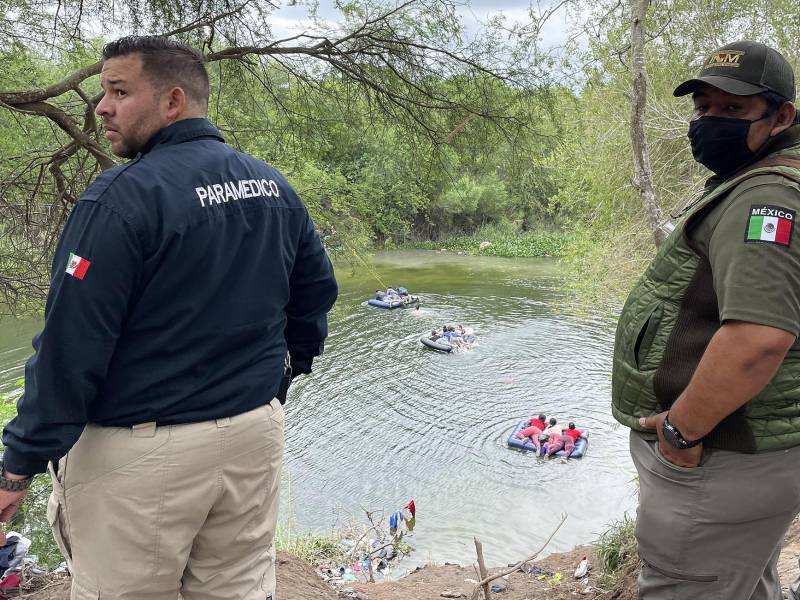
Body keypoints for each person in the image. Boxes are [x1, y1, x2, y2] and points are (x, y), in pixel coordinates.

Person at [0, 36, 338, 600]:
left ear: (173, 101)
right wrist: (278, 382)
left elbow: (70, 346)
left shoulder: (121, 198)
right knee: (237, 590)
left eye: (118, 91)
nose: (101, 108)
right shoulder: (272, 186)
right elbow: (314, 299)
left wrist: (18, 465)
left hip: (144, 454)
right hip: (252, 434)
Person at [611, 40, 800, 599]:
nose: (710, 124)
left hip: (721, 456)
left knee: (688, 587)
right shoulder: (765, 179)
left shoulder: (765, 198)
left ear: (781, 115)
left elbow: (758, 339)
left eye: (733, 111)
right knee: (744, 583)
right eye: (704, 110)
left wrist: (680, 431)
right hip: (747, 455)